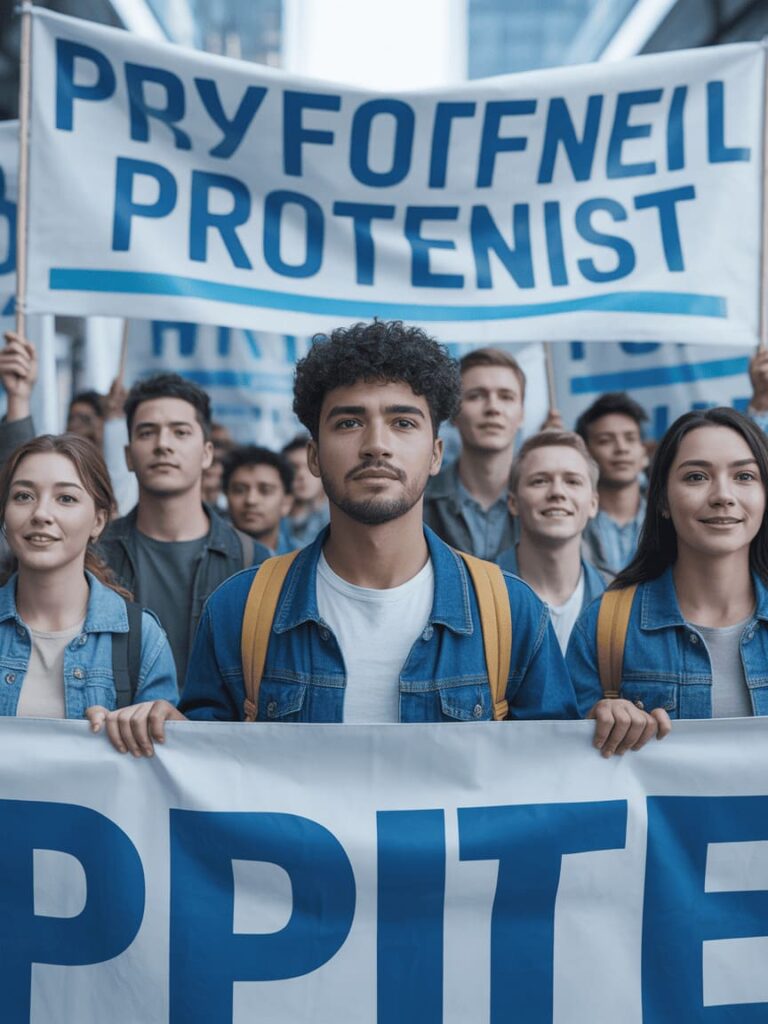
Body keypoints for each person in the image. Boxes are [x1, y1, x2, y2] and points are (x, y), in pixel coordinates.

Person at [92, 320, 657, 759]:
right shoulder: (240, 610)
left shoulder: (510, 612)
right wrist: (162, 731)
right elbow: (202, 783)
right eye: (348, 422)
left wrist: (609, 730)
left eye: (404, 422)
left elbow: (552, 785)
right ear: (313, 455)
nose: (376, 445)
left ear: (437, 453)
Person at [568, 407, 768, 726]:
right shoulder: (603, 626)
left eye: (744, 476)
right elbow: (560, 762)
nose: (722, 496)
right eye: (696, 477)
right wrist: (593, 721)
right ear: (661, 499)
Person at [99, 373, 269, 688]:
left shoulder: (255, 562)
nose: (163, 445)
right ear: (128, 455)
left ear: (207, 453)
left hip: (214, 735)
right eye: (147, 432)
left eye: (180, 432)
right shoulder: (96, 555)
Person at [0, 433, 177, 719]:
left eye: (66, 498)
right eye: (24, 496)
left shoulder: (141, 638)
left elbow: (168, 755)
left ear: (98, 521)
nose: (41, 513)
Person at [497, 431, 608, 653]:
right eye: (539, 481)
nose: (557, 492)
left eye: (572, 481)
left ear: (593, 504)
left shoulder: (620, 600)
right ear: (513, 503)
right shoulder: (474, 594)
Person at [423, 347, 524, 559]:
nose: (493, 408)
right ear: (453, 412)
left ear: (522, 414)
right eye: (476, 396)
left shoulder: (544, 499)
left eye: (506, 397)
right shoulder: (418, 499)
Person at [576, 392, 649, 574]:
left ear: (644, 452)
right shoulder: (573, 522)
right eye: (605, 441)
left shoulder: (667, 520)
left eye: (630, 438)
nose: (621, 448)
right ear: (585, 453)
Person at [223, 445, 294, 553]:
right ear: (226, 497)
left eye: (265, 490)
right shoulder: (207, 559)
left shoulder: (305, 560)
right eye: (239, 490)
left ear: (286, 503)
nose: (251, 500)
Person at [280, 433, 329, 548]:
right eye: (293, 467)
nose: (301, 475)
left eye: (309, 466)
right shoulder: (274, 519)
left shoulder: (338, 521)